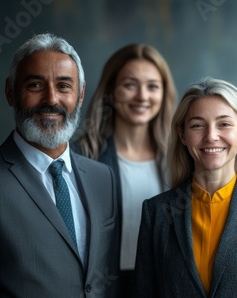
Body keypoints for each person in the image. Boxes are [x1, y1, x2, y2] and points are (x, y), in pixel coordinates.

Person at [133, 77, 237, 297]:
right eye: (198, 125)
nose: (211, 136)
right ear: (182, 134)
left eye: (224, 124)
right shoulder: (156, 212)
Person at [0, 33, 119, 297]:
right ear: (11, 92)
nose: (51, 99)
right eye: (35, 85)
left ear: (80, 95)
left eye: (64, 86)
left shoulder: (102, 177)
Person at [73, 43, 177, 292]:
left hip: (164, 284)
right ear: (111, 90)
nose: (142, 96)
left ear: (164, 93)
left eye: (152, 86)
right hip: (102, 287)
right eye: (130, 85)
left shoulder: (180, 158)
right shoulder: (81, 155)